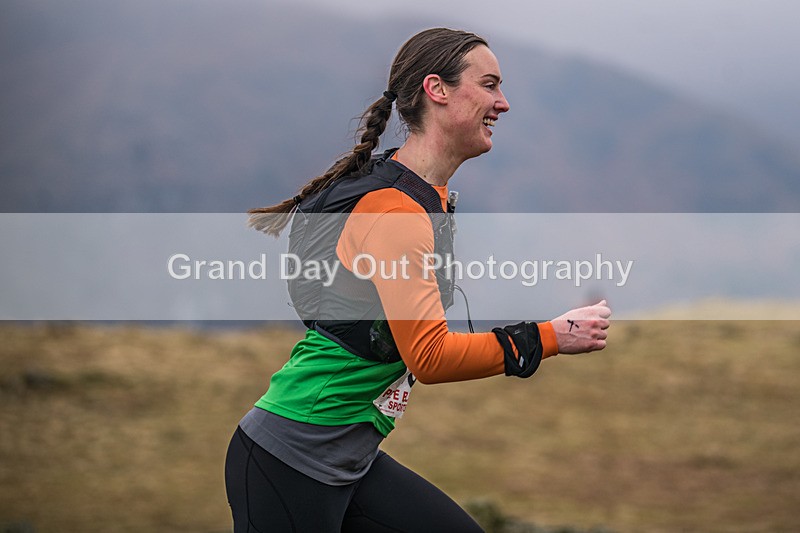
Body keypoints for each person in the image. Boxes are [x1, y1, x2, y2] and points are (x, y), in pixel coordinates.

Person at [225, 27, 611, 532]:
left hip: (347, 458)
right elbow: (428, 357)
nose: (504, 103)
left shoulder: (424, 195)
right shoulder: (396, 211)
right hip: (292, 458)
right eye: (490, 85)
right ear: (437, 89)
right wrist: (549, 337)